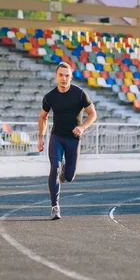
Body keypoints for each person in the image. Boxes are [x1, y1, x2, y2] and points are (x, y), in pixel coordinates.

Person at [38, 62, 97, 219]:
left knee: (69, 176)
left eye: (67, 75)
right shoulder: (49, 97)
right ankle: (55, 206)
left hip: (73, 139)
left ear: (71, 77)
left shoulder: (80, 94)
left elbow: (92, 114)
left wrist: (82, 127)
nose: (63, 78)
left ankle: (64, 170)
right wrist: (41, 137)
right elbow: (43, 117)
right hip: (56, 137)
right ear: (56, 76)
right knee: (54, 168)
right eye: (61, 75)